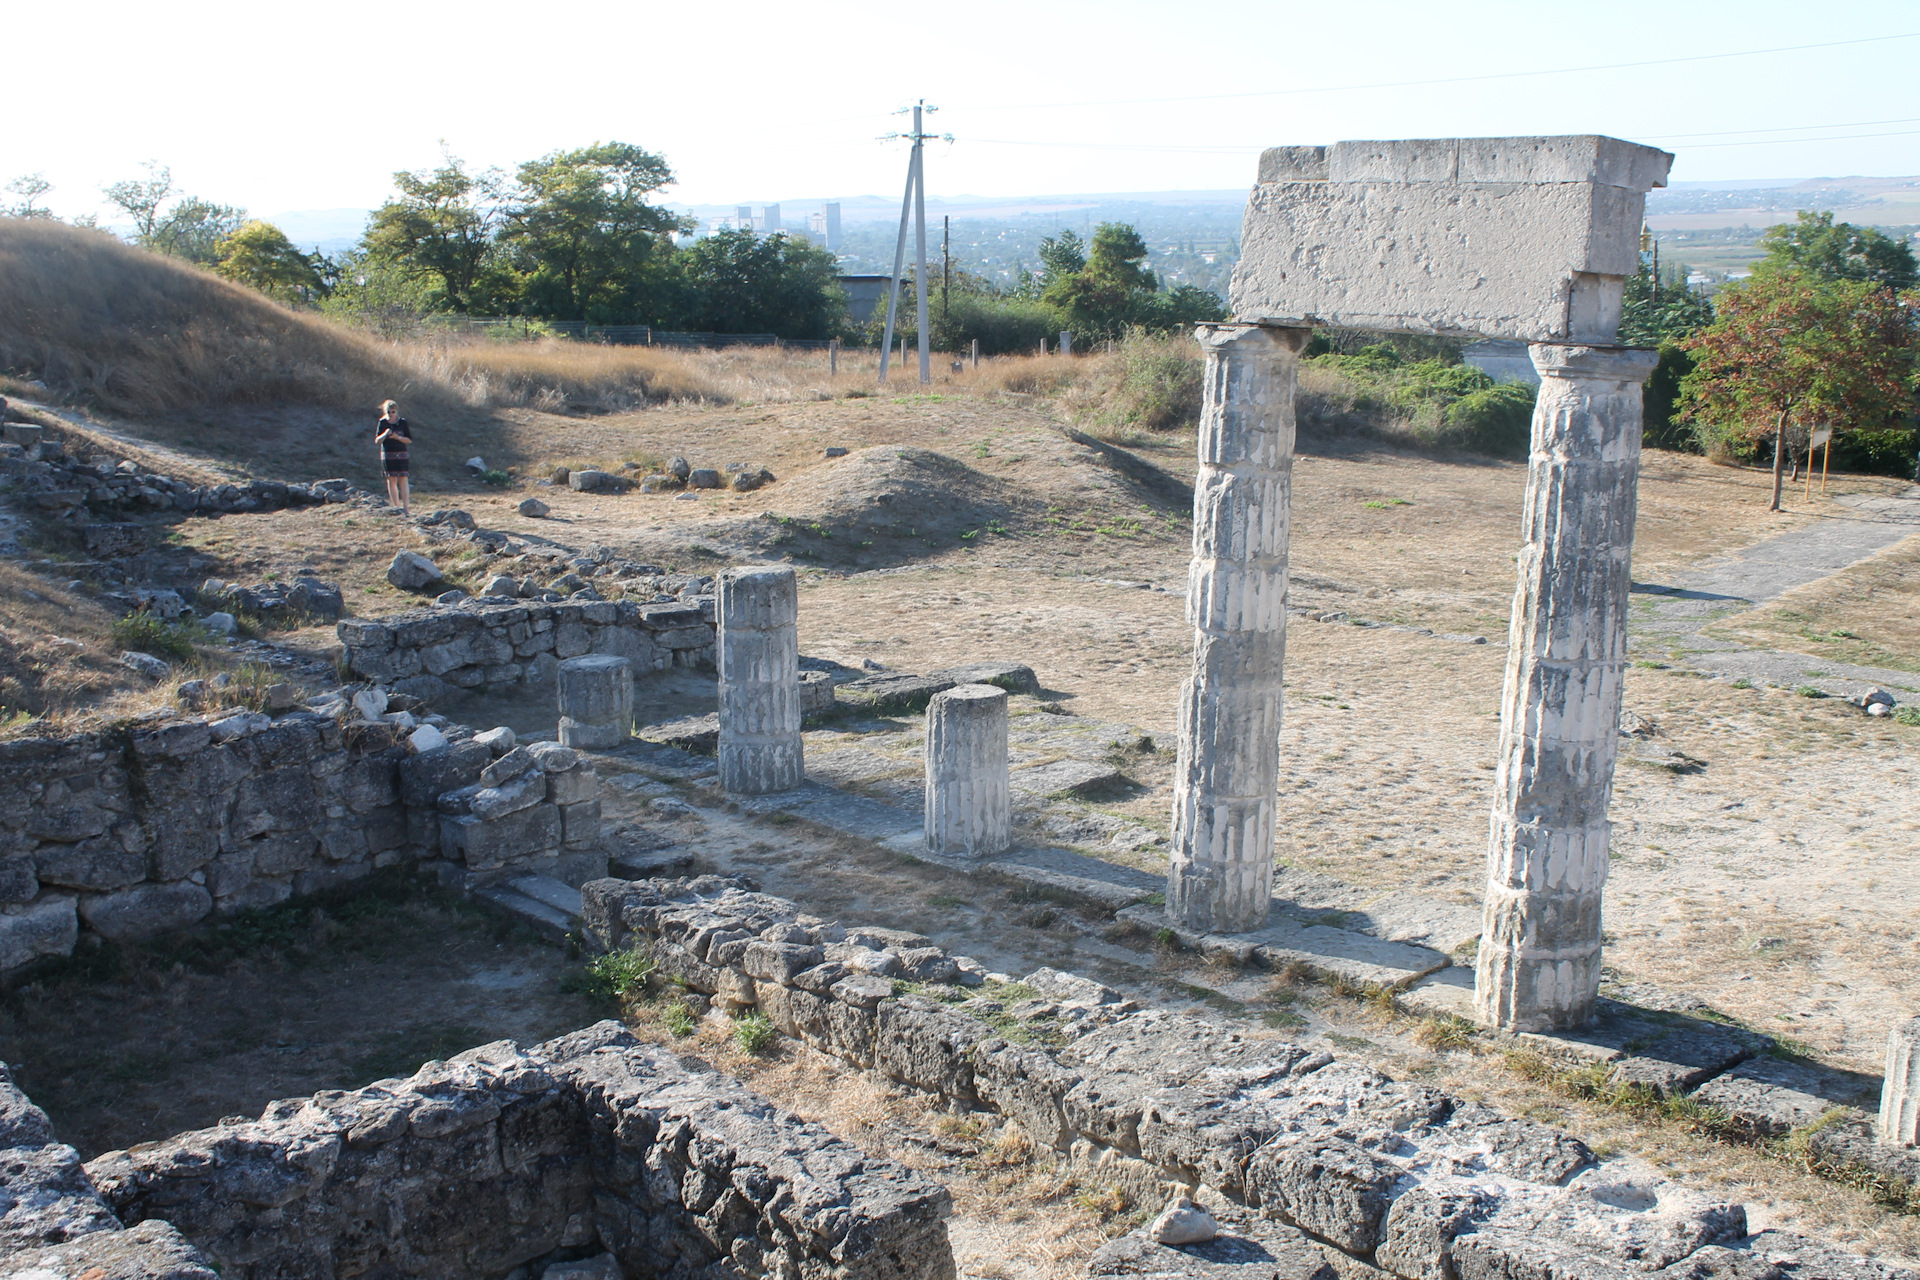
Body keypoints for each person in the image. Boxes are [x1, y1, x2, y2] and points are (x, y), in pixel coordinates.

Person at [374, 399, 412, 515]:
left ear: (397, 411)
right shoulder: (382, 422)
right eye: (389, 412)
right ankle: (396, 507)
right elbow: (377, 441)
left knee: (403, 479)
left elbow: (409, 440)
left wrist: (397, 437)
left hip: (401, 454)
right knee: (391, 480)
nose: (391, 414)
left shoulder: (402, 422)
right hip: (388, 454)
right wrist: (385, 434)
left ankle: (406, 508)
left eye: (393, 412)